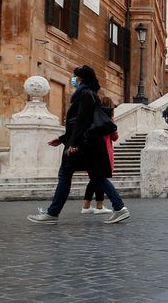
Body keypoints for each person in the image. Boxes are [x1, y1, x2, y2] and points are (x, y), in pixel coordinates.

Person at [28, 65, 131, 225]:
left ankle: (52, 214)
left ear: (81, 78)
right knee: (96, 177)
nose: (73, 79)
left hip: (81, 145)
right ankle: (119, 208)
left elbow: (82, 121)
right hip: (87, 143)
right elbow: (80, 122)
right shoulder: (90, 94)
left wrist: (72, 143)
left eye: (75, 76)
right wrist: (63, 139)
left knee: (65, 175)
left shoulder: (85, 95)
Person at [80, 95, 118, 215]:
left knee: (94, 179)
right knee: (100, 177)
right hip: (104, 151)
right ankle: (100, 206)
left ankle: (86, 206)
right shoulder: (107, 118)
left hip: (90, 151)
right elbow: (115, 136)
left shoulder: (92, 116)